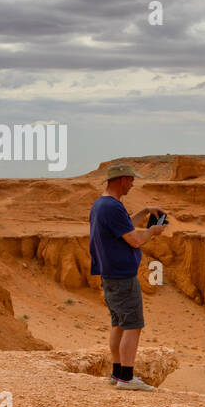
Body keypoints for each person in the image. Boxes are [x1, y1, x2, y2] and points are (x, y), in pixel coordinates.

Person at [88, 162, 166, 390]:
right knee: (133, 325)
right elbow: (134, 239)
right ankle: (126, 378)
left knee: (119, 325)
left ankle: (117, 373)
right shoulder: (111, 207)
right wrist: (152, 231)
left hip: (110, 274)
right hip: (122, 276)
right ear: (122, 180)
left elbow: (123, 226)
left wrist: (145, 211)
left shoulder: (104, 204)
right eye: (131, 180)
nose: (133, 184)